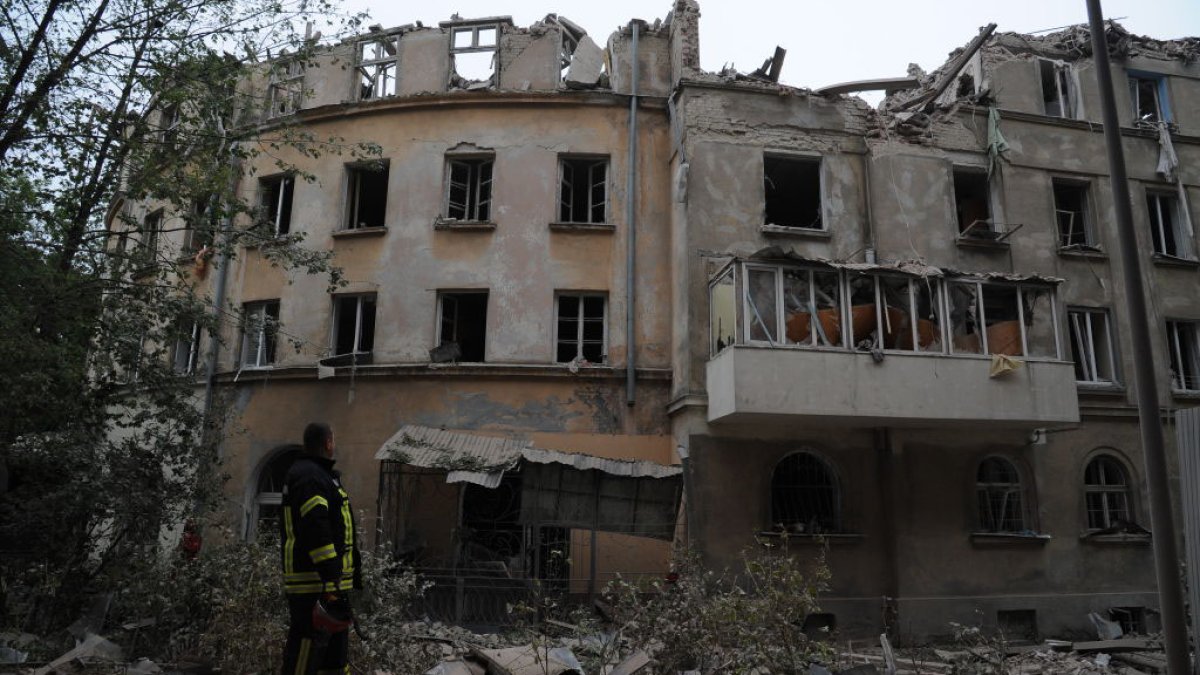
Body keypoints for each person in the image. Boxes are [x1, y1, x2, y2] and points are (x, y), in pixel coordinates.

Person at [279, 423, 361, 675]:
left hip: (327, 583)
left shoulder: (320, 476)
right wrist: (330, 570)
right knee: (307, 649)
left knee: (333, 654)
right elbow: (315, 525)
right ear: (328, 443)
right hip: (314, 583)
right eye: (333, 440)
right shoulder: (310, 476)